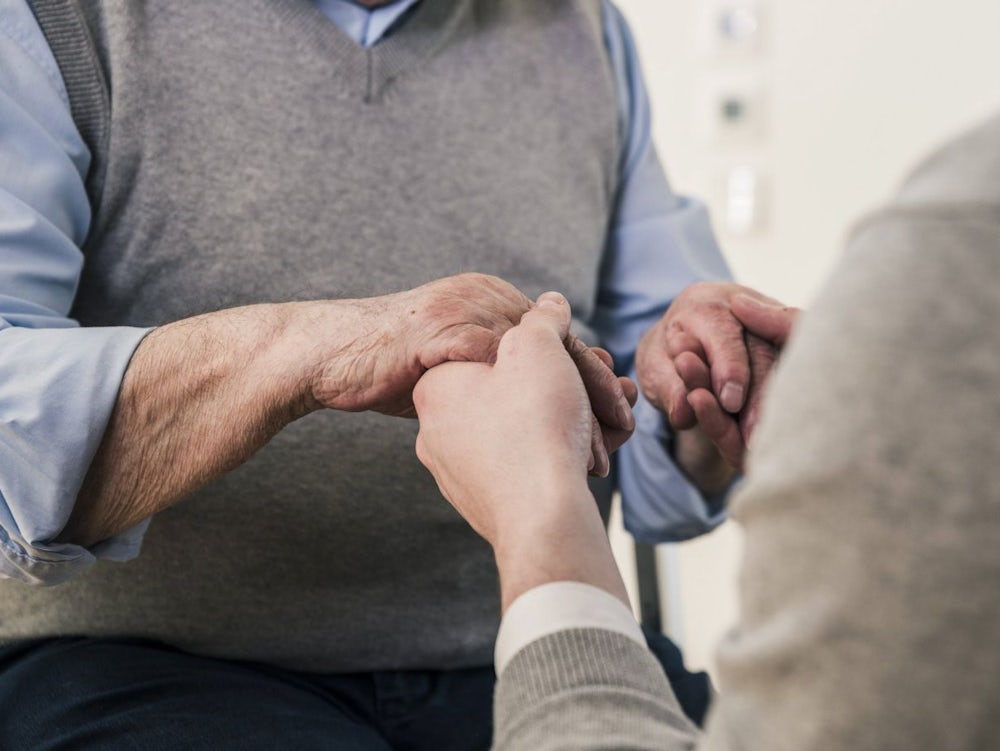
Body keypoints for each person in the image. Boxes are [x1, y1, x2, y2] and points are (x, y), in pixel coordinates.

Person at [0, 0, 790, 747]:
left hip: (524, 644)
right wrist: (324, 347)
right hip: (141, 664)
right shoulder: (58, 22)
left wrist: (714, 392)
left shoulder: (586, 30)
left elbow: (661, 441)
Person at [413, 111, 1000, 750]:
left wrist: (535, 498)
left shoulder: (961, 238)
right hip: (294, 675)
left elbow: (660, 482)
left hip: (553, 639)